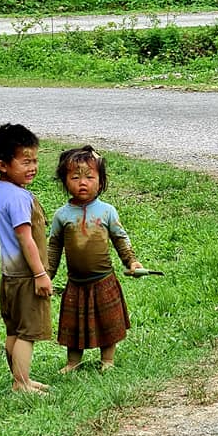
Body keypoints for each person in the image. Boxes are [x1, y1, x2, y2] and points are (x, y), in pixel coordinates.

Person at [48, 145, 142, 372]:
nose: (83, 182)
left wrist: (131, 261)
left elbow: (120, 239)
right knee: (73, 326)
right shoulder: (62, 215)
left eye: (90, 177)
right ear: (65, 182)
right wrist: (46, 275)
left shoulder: (107, 211)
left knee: (108, 321)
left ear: (100, 182)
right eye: (75, 177)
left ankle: (107, 360)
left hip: (103, 280)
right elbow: (53, 248)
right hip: (76, 283)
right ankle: (73, 362)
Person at [0, 123, 53, 393]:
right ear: (3, 165)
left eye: (35, 160)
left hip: (9, 275)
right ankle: (21, 382)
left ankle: (20, 378)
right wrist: (40, 274)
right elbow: (26, 239)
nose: (33, 167)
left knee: (13, 330)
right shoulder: (17, 198)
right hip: (26, 275)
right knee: (27, 332)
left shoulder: (1, 189)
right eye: (26, 162)